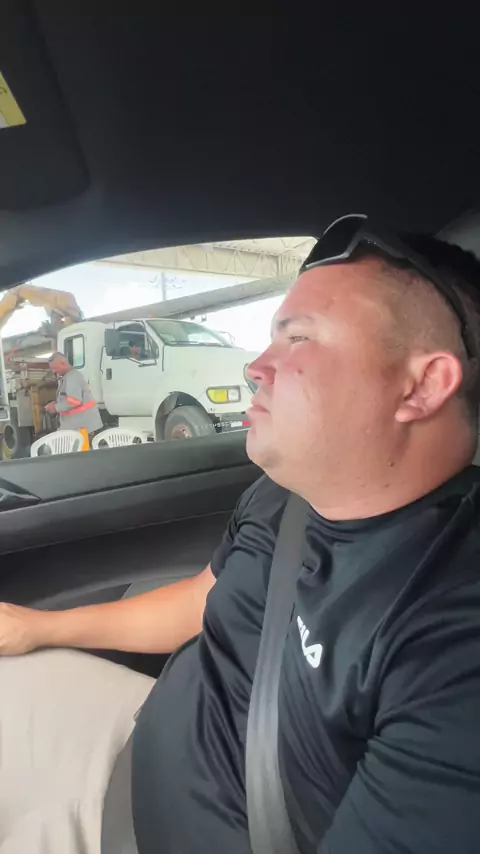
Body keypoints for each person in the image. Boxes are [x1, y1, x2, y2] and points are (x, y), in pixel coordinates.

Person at [1, 215, 480, 853]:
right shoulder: (284, 496)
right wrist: (40, 628)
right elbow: (205, 600)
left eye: (298, 338)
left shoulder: (453, 634)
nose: (256, 366)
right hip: (128, 737)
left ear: (421, 385)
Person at [45, 352, 103, 446]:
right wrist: (56, 403)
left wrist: (55, 407)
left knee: (81, 453)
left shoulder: (73, 377)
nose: (54, 371)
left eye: (55, 368)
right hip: (78, 426)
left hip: (82, 427)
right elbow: (69, 398)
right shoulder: (69, 377)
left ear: (63, 363)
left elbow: (74, 401)